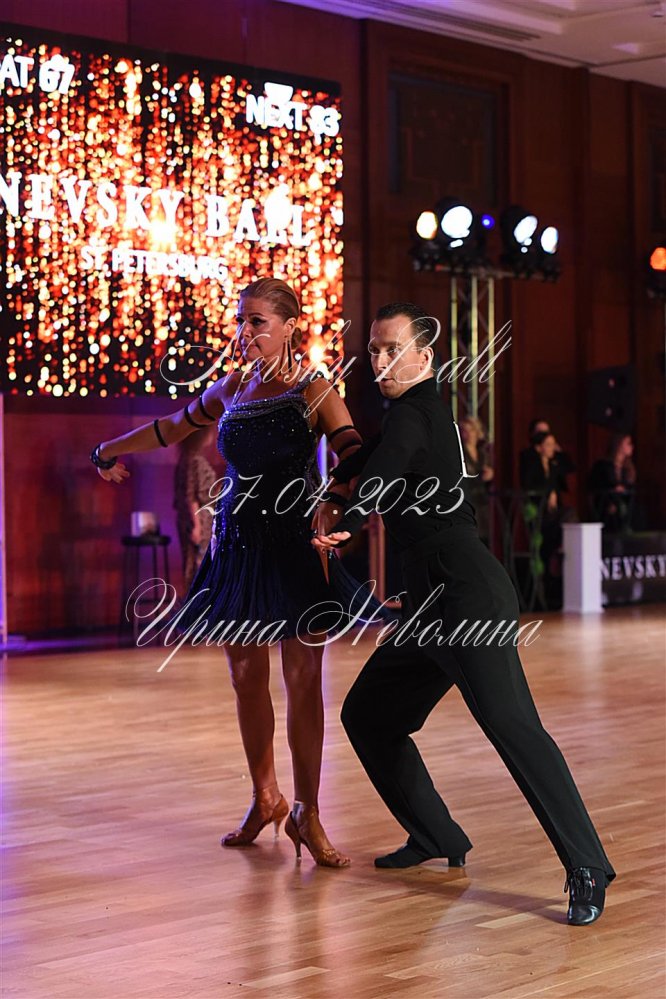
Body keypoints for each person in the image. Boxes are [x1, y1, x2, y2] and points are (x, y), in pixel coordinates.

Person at [313, 302, 615, 925]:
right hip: (428, 602)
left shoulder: (414, 415)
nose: (380, 362)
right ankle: (436, 834)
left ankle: (588, 865)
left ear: (424, 357)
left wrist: (348, 518)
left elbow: (383, 469)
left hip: (465, 596)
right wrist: (333, 489)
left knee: (512, 727)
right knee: (369, 715)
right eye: (373, 350)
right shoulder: (416, 413)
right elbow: (369, 458)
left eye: (393, 349)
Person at [91, 277, 364, 868]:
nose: (244, 331)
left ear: (290, 326)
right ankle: (266, 797)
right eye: (240, 320)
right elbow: (172, 427)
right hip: (237, 547)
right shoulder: (234, 387)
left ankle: (307, 811)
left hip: (295, 549)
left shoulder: (313, 388)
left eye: (257, 321)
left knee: (302, 682)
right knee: (244, 678)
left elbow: (352, 449)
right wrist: (109, 448)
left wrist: (334, 501)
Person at [173, 423, 218, 592]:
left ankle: (197, 601)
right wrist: (196, 526)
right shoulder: (193, 460)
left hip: (197, 518)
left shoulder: (188, 458)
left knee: (196, 564)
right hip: (199, 519)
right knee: (198, 565)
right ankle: (197, 603)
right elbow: (189, 495)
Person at [588, 433, 636, 532]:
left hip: (622, 502)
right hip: (605, 503)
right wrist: (613, 491)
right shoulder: (602, 465)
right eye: (628, 443)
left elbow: (629, 487)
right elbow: (595, 485)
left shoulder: (627, 469)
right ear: (619, 445)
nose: (631, 446)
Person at [459, 415, 493, 546]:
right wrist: (479, 478)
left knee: (484, 539)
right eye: (464, 430)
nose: (468, 434)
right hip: (467, 500)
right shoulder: (459, 453)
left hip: (483, 500)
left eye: (471, 430)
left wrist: (490, 475)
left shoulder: (483, 453)